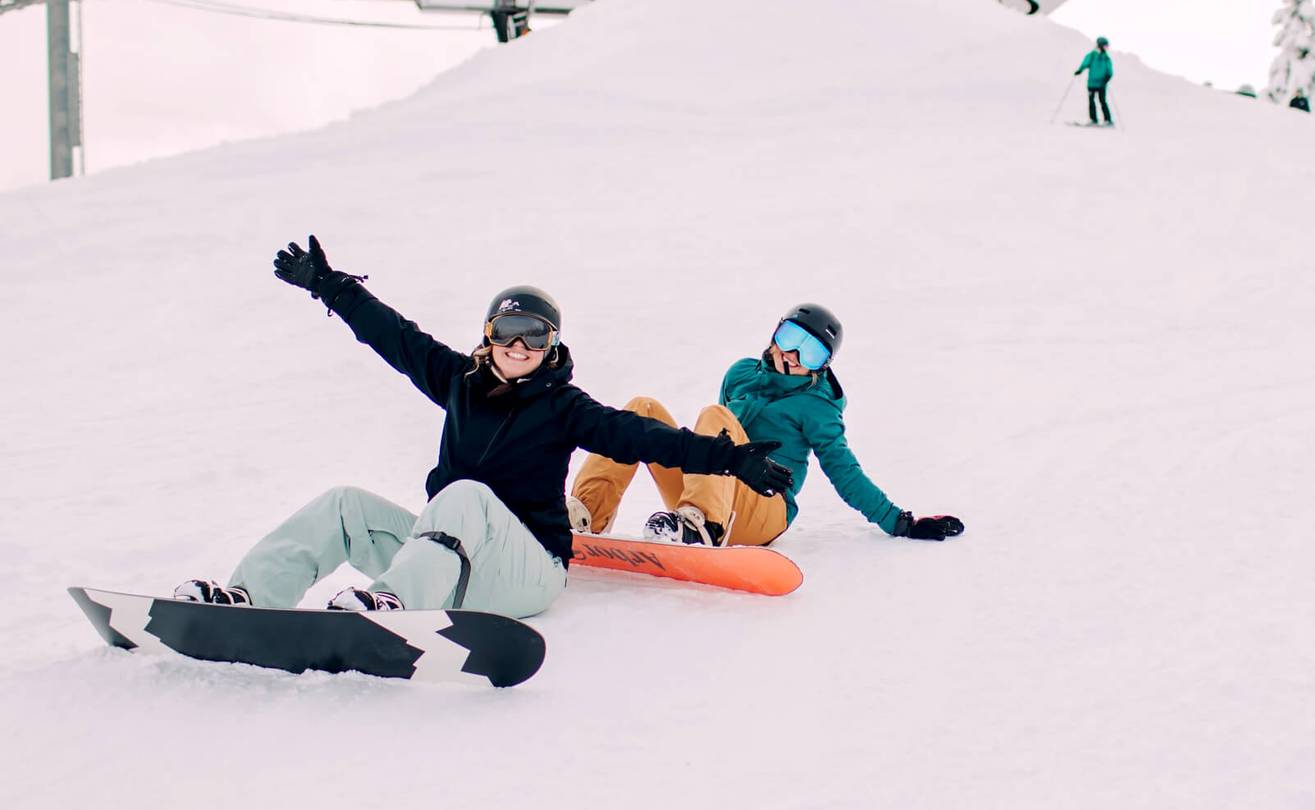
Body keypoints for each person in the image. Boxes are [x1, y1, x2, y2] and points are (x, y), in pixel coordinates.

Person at [172, 237, 793, 615]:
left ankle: (393, 604)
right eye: (506, 332)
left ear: (550, 347)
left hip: (527, 573)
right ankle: (247, 597)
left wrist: (731, 459)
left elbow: (644, 438)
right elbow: (396, 337)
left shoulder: (565, 407)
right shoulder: (458, 382)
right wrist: (331, 287)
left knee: (466, 495)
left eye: (534, 337)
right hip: (447, 560)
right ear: (488, 335)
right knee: (344, 504)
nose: (517, 346)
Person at [569, 304, 964, 548]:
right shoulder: (740, 373)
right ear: (774, 334)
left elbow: (845, 471)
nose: (792, 355)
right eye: (789, 338)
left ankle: (701, 525)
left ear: (822, 365)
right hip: (719, 492)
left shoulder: (817, 407)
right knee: (642, 410)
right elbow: (713, 441)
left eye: (809, 352)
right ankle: (584, 515)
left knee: (715, 416)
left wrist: (901, 522)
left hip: (765, 510)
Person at [1074, 37, 1114, 126]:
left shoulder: (1106, 58)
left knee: (1102, 101)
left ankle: (1108, 120)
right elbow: (1085, 63)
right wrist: (1080, 70)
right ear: (1100, 45)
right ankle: (1093, 119)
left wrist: (1107, 78)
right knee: (1091, 101)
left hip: (1102, 84)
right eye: (1105, 46)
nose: (1106, 48)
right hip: (1091, 83)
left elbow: (1110, 71)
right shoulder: (1092, 55)